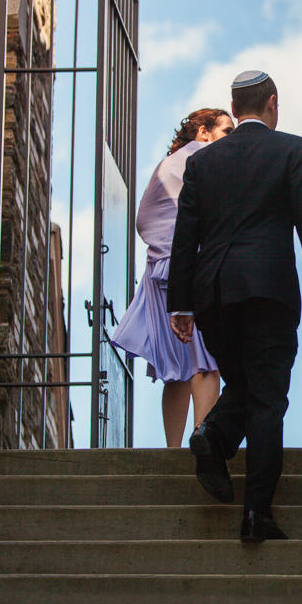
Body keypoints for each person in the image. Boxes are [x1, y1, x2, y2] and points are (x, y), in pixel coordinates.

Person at [167, 71, 302, 542]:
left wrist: (179, 302)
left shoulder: (204, 162)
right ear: (272, 103)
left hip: (213, 293)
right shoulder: (293, 149)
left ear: (234, 105)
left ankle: (213, 435)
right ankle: (255, 514)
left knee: (244, 382)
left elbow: (186, 238)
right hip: (267, 290)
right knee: (266, 398)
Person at [111, 108, 234, 447]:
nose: (232, 139)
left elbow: (145, 219)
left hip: (159, 270)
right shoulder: (199, 159)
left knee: (178, 371)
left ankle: (173, 449)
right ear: (204, 133)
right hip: (182, 267)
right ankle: (203, 443)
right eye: (226, 131)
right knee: (207, 363)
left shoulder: (173, 162)